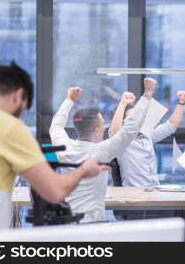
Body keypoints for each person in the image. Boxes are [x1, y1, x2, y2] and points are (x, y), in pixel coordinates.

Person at [0, 61, 108, 232]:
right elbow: (55, 191)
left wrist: (69, 100)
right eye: (22, 109)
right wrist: (82, 170)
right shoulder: (8, 127)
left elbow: (56, 127)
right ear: (18, 95)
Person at [49, 78, 157, 223]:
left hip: (68, 225)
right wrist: (147, 94)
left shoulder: (64, 148)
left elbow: (55, 126)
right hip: (93, 228)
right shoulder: (102, 151)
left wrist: (69, 100)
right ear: (97, 130)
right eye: (102, 123)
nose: (105, 126)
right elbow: (130, 129)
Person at [109, 91, 185, 187]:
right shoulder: (123, 142)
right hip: (134, 193)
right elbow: (115, 132)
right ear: (124, 122)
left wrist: (181, 102)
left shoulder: (146, 136)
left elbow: (172, 124)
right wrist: (123, 103)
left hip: (154, 190)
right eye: (133, 117)